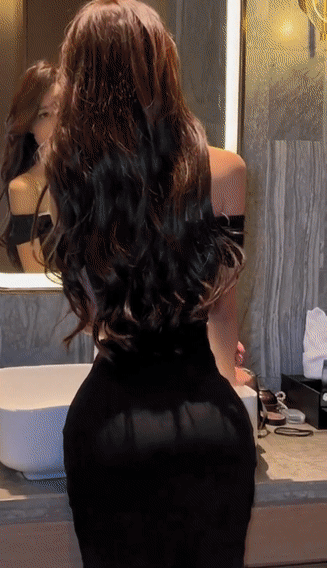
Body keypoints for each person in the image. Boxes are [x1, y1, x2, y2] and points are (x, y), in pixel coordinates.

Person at [41, 1, 257, 566]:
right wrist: (228, 377)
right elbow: (221, 308)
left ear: (81, 76)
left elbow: (100, 313)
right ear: (163, 65)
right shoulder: (225, 169)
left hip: (111, 428)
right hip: (208, 427)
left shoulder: (67, 176)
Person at [0, 61, 58, 272]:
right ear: (30, 126)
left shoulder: (98, 177)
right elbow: (35, 276)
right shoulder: (25, 188)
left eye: (62, 109)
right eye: (44, 115)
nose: (57, 124)